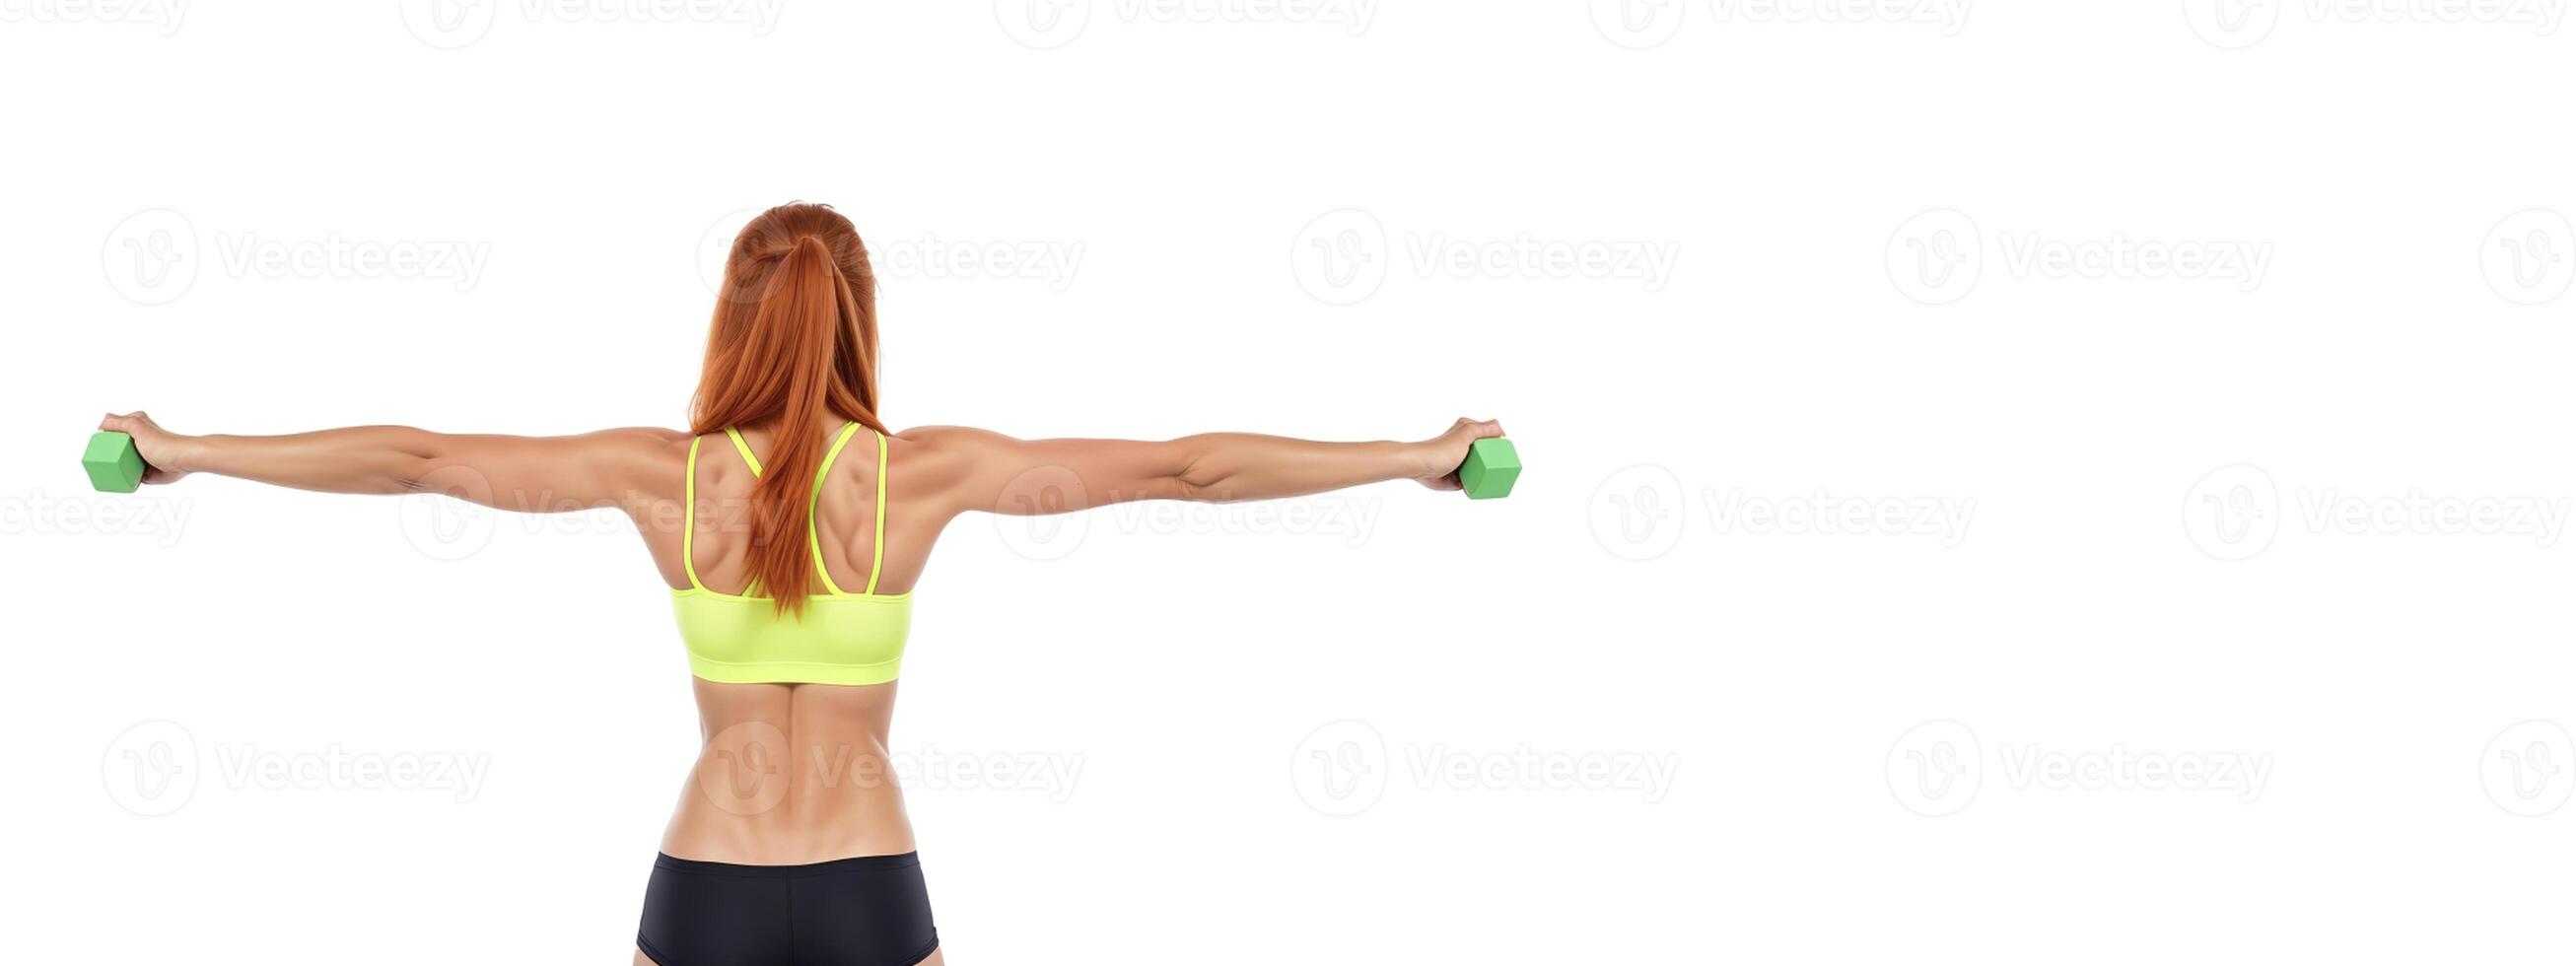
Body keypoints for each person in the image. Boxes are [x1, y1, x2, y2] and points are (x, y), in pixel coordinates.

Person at [98, 201, 1505, 966]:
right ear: (862, 319)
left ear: (729, 316)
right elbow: (1191, 468)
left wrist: (186, 451)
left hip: (707, 876)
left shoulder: (660, 473)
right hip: (867, 885)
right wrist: (1416, 457)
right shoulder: (929, 474)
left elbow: (410, 459)